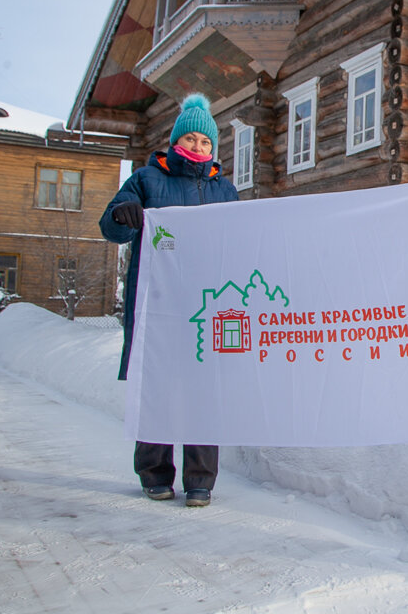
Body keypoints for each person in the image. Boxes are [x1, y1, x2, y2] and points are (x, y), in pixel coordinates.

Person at [100, 92, 239, 507]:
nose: (198, 148)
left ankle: (200, 480)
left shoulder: (224, 190)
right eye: (192, 139)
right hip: (156, 300)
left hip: (205, 303)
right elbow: (111, 227)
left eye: (206, 142)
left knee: (202, 389)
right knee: (156, 385)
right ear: (177, 140)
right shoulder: (147, 180)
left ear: (213, 149)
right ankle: (155, 473)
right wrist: (123, 214)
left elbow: (239, 241)